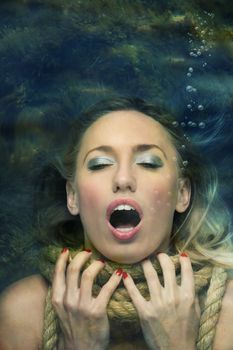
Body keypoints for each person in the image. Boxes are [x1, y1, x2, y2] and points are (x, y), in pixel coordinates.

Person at [0, 97, 233, 350]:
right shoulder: (22, 314)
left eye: (148, 162)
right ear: (73, 196)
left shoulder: (228, 314)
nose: (123, 178)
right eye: (100, 164)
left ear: (182, 193)